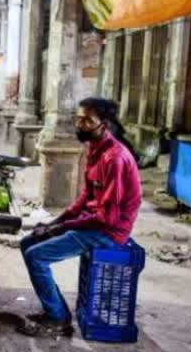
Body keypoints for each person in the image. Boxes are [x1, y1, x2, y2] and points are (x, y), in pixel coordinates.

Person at [18, 97, 142, 338]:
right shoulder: (95, 149)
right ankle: (56, 311)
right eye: (78, 118)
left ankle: (57, 319)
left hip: (108, 233)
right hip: (93, 223)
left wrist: (60, 228)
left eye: (87, 120)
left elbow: (107, 217)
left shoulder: (114, 158)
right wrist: (53, 223)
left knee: (36, 256)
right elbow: (84, 198)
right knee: (27, 242)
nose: (80, 124)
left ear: (104, 124)